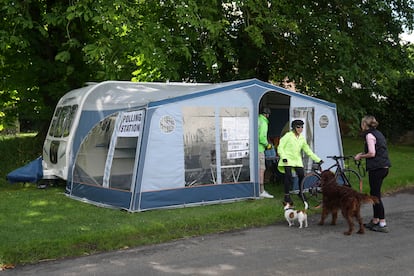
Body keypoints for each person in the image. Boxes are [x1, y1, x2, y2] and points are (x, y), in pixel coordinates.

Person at [354, 115, 391, 233]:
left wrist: (360, 156)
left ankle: (382, 223)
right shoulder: (378, 133)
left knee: (375, 196)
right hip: (383, 167)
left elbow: (372, 153)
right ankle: (375, 220)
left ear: (364, 124)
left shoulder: (369, 135)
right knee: (374, 193)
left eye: (362, 123)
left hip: (377, 168)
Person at [277, 119, 322, 205]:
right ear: (294, 128)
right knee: (288, 176)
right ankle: (287, 195)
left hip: (297, 160)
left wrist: (318, 159)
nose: (300, 129)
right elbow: (280, 147)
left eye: (302, 127)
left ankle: (300, 192)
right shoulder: (288, 136)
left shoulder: (301, 138)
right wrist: (283, 157)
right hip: (287, 158)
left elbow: (308, 150)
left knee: (302, 175)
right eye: (298, 127)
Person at [258, 107, 274, 198]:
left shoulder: (257, 119)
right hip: (260, 149)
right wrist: (268, 145)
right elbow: (262, 138)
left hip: (254, 148)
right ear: (267, 115)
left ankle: (257, 189)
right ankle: (261, 191)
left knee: (257, 170)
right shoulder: (264, 122)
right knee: (262, 169)